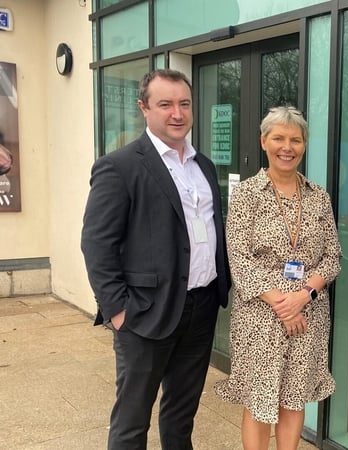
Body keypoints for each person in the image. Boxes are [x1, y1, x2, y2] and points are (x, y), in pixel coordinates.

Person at [81, 68, 231, 449]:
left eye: (183, 104)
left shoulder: (205, 167)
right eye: (165, 104)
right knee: (132, 421)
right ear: (144, 108)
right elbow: (97, 244)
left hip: (201, 307)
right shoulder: (121, 165)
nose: (176, 113)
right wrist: (118, 311)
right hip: (145, 313)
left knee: (182, 414)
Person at [215, 106, 342, 450]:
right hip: (260, 317)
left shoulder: (319, 197)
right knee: (259, 401)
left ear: (304, 145)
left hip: (308, 316)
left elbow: (333, 257)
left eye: (295, 140)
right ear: (264, 142)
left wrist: (304, 295)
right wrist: (282, 304)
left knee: (293, 398)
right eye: (279, 138)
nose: (287, 147)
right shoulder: (246, 194)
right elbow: (238, 258)